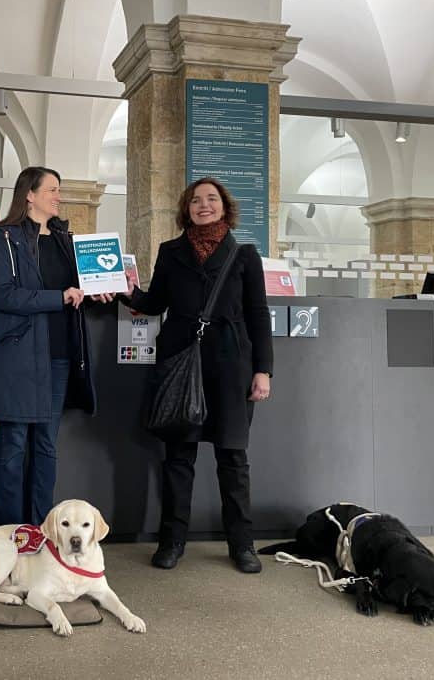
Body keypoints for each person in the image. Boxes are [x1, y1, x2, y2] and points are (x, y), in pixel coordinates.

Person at [123, 177, 273, 573]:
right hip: (180, 364)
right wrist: (125, 291)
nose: (203, 205)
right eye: (195, 200)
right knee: (178, 458)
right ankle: (172, 542)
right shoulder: (170, 252)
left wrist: (264, 371)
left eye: (211, 199)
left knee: (233, 459)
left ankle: (242, 545)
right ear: (185, 209)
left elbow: (259, 315)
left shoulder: (244, 255)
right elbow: (155, 303)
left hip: (231, 366)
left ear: (224, 206)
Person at [0, 166, 110, 526]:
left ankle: (39, 529)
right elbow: (5, 296)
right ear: (29, 195)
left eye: (59, 189)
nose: (58, 195)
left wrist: (101, 293)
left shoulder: (67, 241)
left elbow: (81, 289)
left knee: (46, 447)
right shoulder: (5, 238)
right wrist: (59, 297)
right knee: (14, 447)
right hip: (20, 357)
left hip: (59, 357)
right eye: (51, 189)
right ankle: (9, 532)